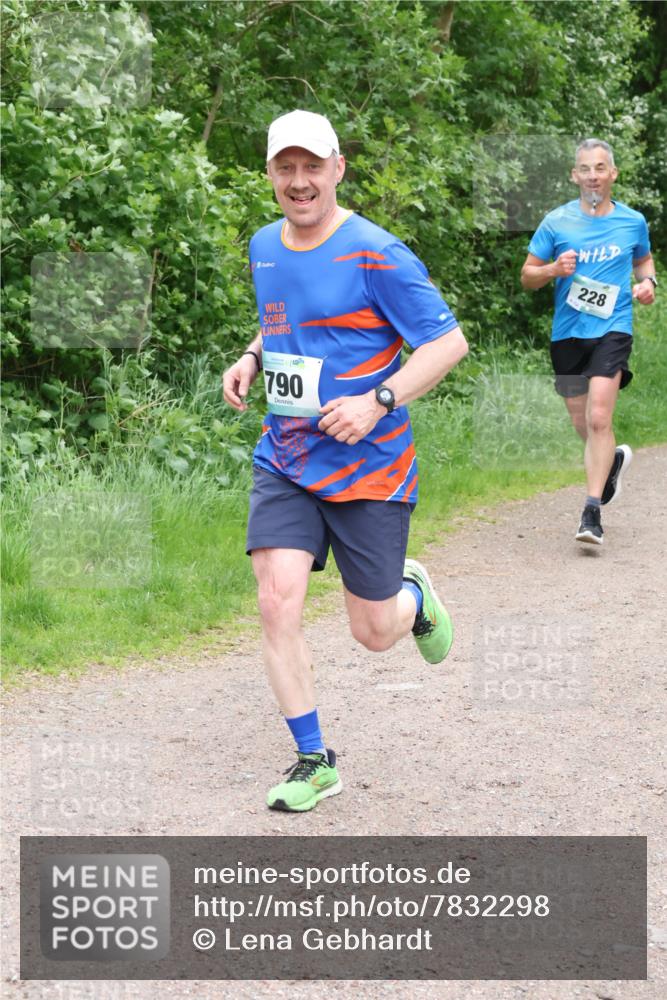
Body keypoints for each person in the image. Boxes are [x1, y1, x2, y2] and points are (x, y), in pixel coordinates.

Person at [222, 109, 468, 812]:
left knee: (373, 632)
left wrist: (376, 400)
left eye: (311, 167)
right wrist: (249, 357)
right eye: (284, 168)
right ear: (270, 174)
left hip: (371, 467)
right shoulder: (265, 246)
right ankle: (312, 759)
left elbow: (446, 343)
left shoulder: (376, 252)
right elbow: (282, 323)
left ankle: (411, 595)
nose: (298, 182)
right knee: (275, 601)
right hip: (288, 455)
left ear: (337, 169)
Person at [521, 138, 656, 544]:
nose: (593, 176)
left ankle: (591, 513)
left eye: (600, 168)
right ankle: (610, 460)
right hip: (567, 334)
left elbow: (643, 260)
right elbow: (527, 276)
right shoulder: (556, 222)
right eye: (585, 168)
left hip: (613, 329)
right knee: (582, 422)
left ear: (612, 173)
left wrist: (648, 282)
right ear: (574, 175)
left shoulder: (632, 221)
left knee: (600, 417)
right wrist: (552, 270)